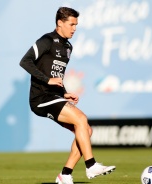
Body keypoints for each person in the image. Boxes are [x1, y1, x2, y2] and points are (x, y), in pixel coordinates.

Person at [20, 7, 116, 184]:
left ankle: (65, 174)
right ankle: (91, 165)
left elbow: (57, 76)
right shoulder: (46, 40)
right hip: (40, 98)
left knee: (86, 130)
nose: (74, 28)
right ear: (60, 23)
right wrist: (47, 80)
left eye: (76, 25)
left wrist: (64, 93)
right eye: (71, 24)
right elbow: (25, 61)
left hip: (54, 96)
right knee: (81, 119)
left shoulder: (68, 47)